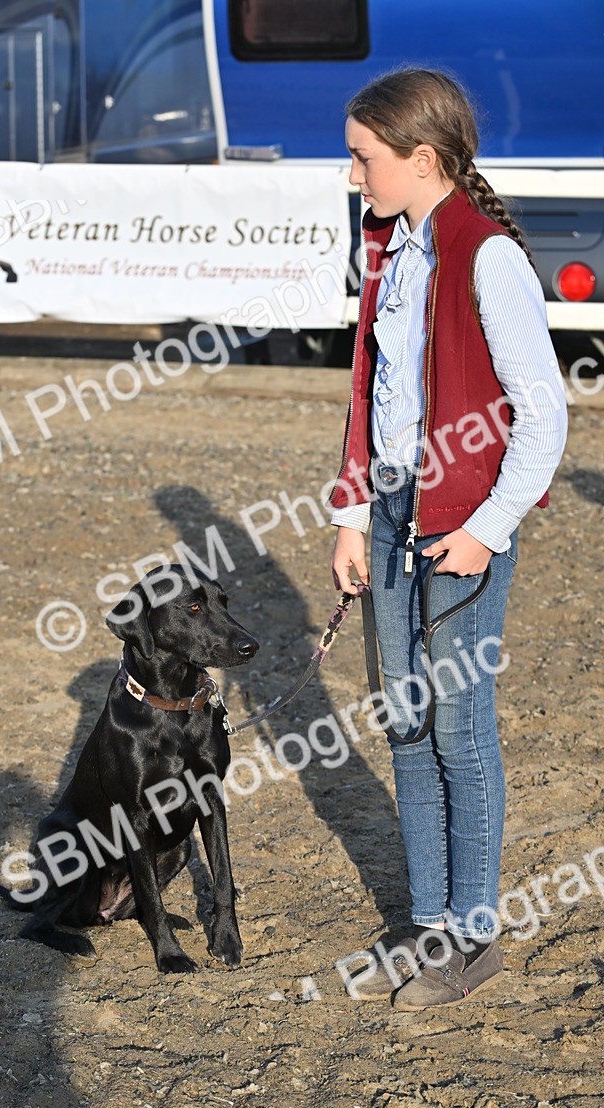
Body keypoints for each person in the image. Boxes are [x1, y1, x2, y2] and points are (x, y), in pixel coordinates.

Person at [329, 68, 567, 1010]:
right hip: (390, 510)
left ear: (421, 158)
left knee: (460, 730)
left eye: (364, 158)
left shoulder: (486, 255)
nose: (355, 178)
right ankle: (428, 926)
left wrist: (486, 528)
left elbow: (542, 415)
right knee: (408, 724)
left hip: (458, 524)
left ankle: (472, 937)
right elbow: (368, 392)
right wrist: (352, 512)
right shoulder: (391, 244)